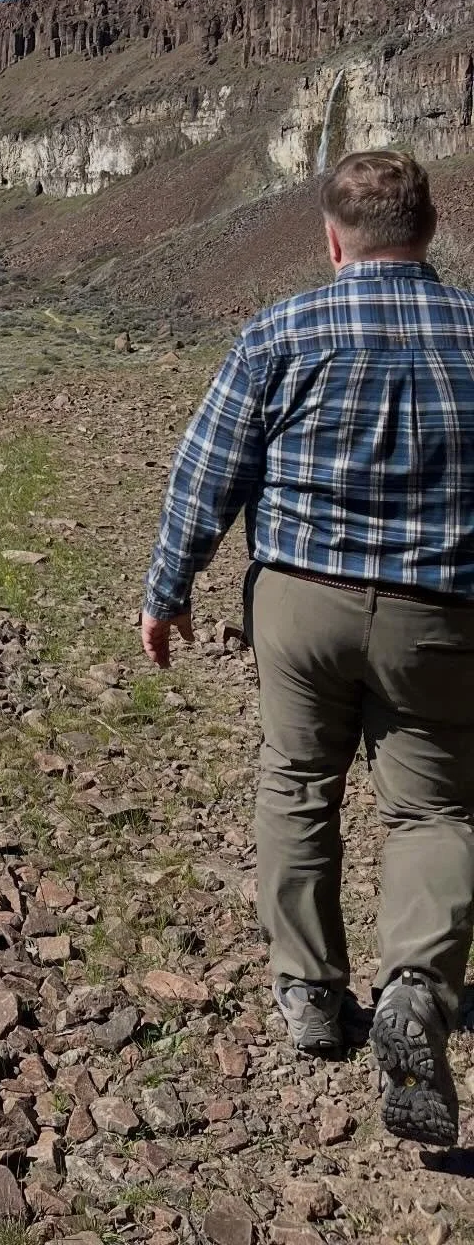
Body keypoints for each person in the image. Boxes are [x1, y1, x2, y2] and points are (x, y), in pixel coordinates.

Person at [142, 149, 474, 1147]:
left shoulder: (281, 330)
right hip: (443, 616)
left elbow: (208, 472)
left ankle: (309, 997)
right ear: (430, 231)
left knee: (295, 780)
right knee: (436, 809)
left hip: (299, 603)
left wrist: (169, 588)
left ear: (333, 239)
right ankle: (416, 983)